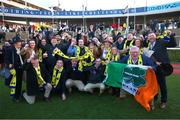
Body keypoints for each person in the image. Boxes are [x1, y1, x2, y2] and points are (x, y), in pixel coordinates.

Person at [148, 32, 172, 109]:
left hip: (162, 66)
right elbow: (150, 55)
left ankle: (163, 101)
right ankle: (154, 97)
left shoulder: (161, 41)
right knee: (154, 84)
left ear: (155, 36)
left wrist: (171, 35)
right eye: (149, 36)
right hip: (153, 67)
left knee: (162, 85)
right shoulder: (149, 45)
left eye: (152, 35)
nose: (151, 37)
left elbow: (172, 43)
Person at [5, 35, 24, 102]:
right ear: (15, 43)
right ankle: (15, 97)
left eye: (20, 42)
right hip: (14, 69)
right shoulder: (10, 49)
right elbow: (7, 59)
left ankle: (18, 95)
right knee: (15, 83)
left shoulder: (20, 48)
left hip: (20, 68)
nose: (20, 43)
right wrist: (10, 65)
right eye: (19, 42)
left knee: (19, 83)